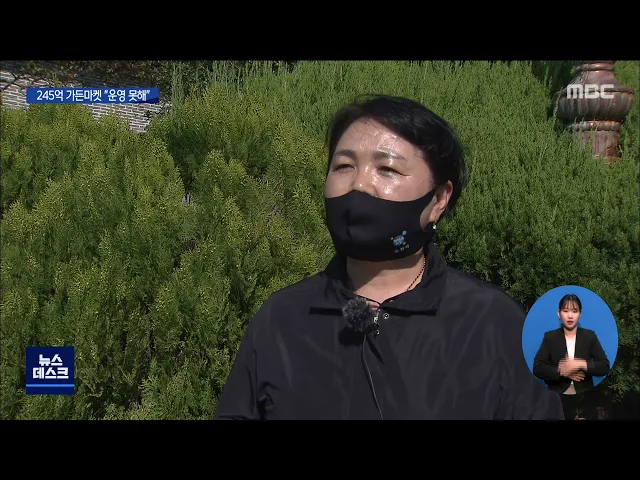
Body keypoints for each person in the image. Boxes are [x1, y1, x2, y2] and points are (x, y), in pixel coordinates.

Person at [214, 94, 564, 420]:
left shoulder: (493, 324)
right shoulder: (282, 319)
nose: (359, 185)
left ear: (439, 200)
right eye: (344, 166)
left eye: (387, 169)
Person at [533, 293, 610, 395]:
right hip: (557, 393)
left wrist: (581, 364)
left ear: (580, 314)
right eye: (565, 311)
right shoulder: (550, 337)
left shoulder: (589, 336)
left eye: (575, 311)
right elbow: (537, 368)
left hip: (585, 393)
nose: (570, 316)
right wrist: (562, 371)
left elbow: (604, 367)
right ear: (559, 313)